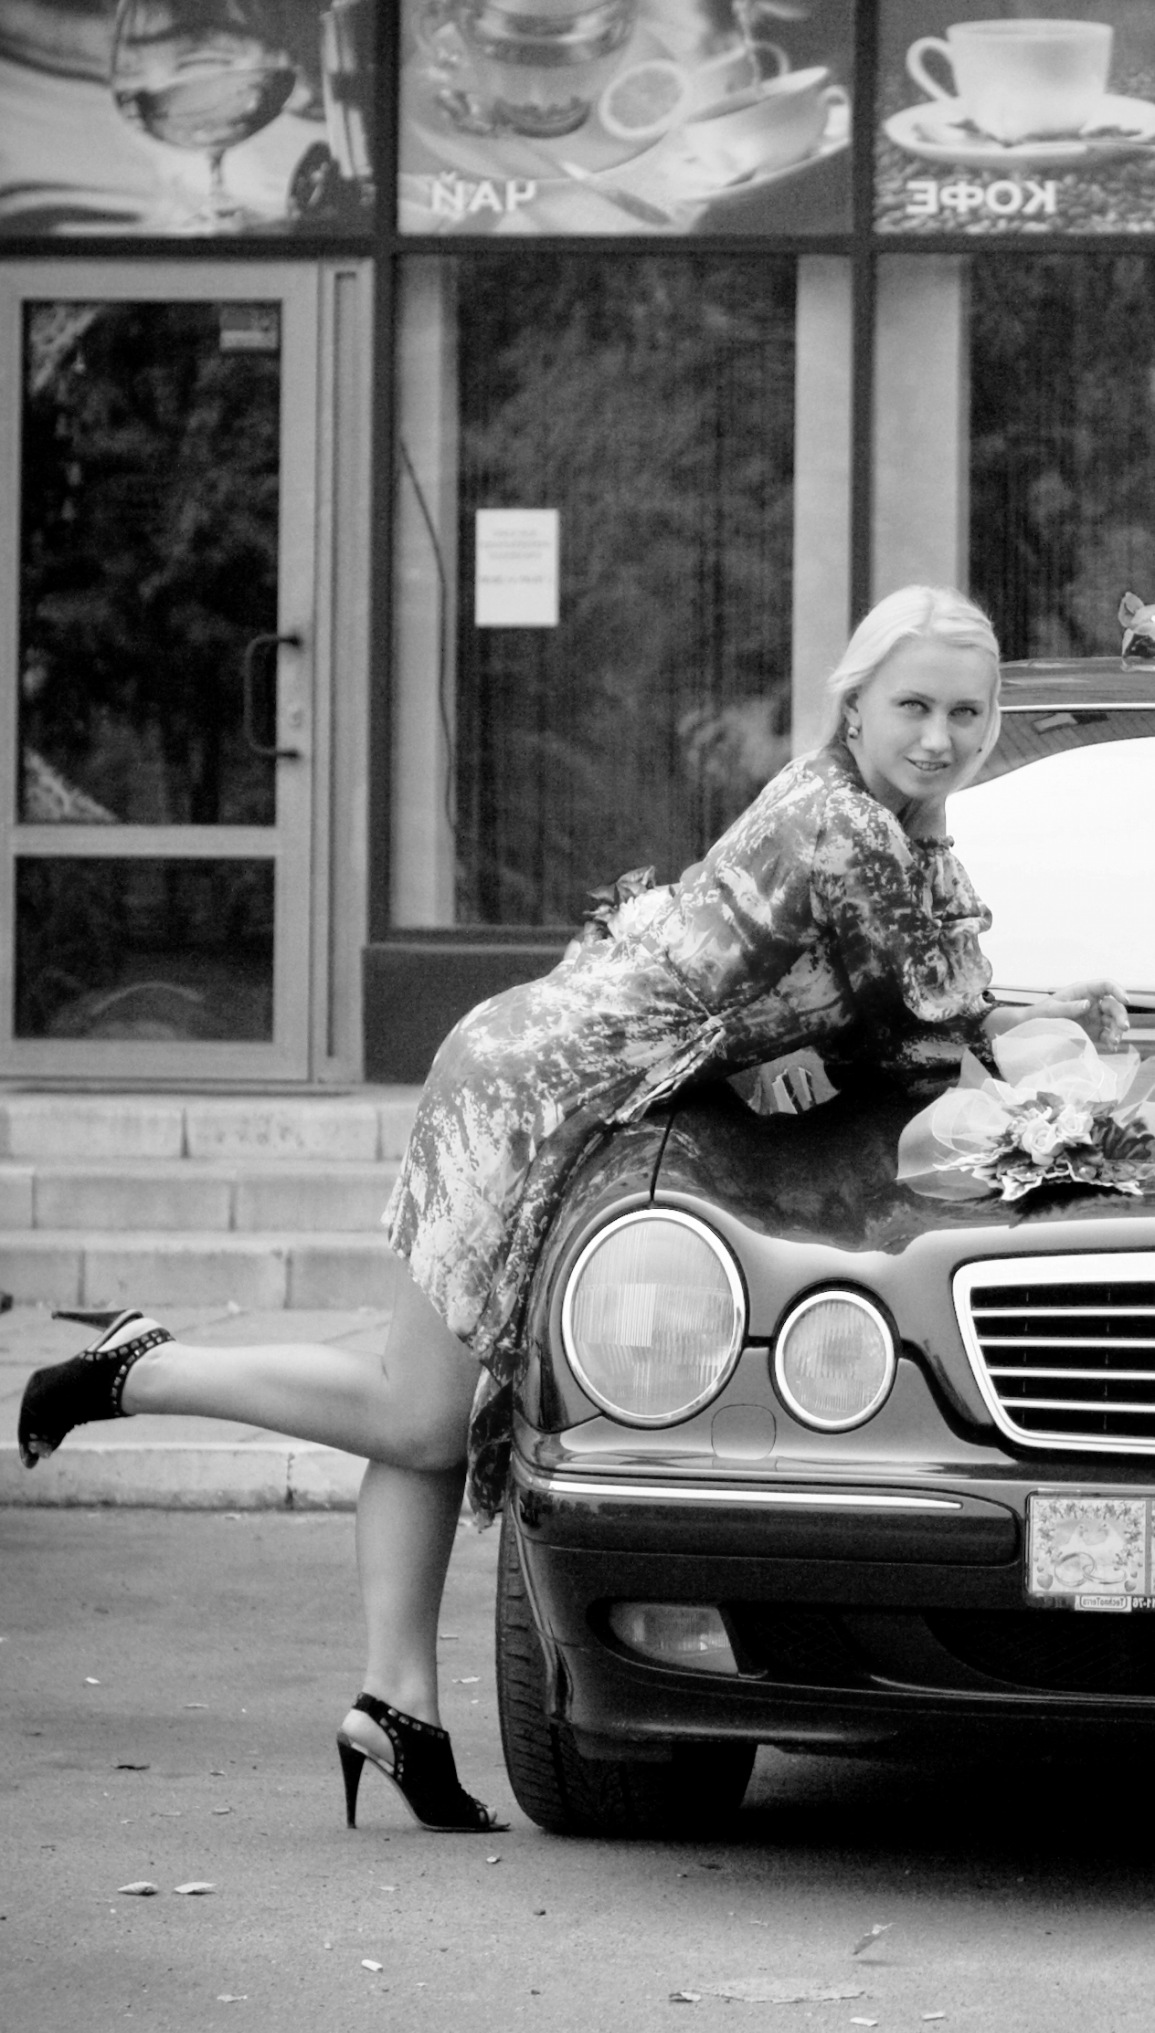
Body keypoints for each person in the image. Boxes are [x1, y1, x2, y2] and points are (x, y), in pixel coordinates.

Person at [17, 585, 1127, 1835]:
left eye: (967, 712)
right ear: (853, 704)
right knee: (416, 1411)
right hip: (531, 1091)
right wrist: (1053, 1069)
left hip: (583, 1089)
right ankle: (140, 1367)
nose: (940, 734)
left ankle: (395, 1703)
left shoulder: (905, 831)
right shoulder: (845, 827)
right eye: (913, 704)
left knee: (424, 1405)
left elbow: (918, 999)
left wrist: (1014, 1014)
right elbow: (922, 1033)